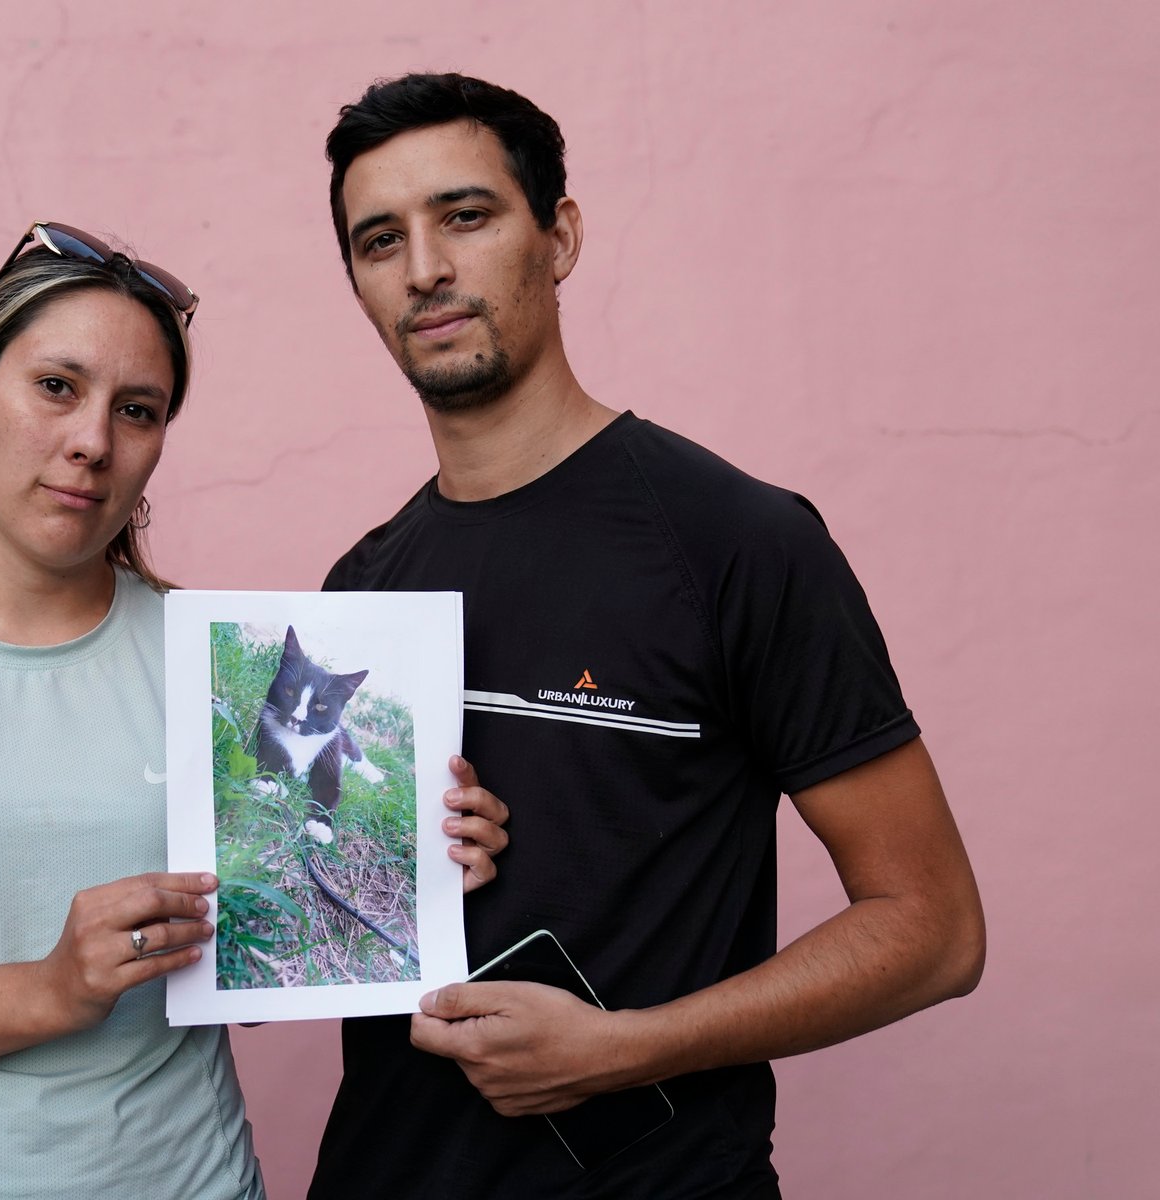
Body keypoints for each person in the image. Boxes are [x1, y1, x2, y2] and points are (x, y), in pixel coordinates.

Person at [0, 221, 508, 1200]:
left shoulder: (212, 665)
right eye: (57, 387)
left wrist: (415, 864)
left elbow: (253, 963)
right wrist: (46, 990)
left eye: (138, 409)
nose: (92, 441)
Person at [307, 74, 986, 1199]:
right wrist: (362, 870)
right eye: (381, 240)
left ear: (558, 236)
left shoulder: (736, 541)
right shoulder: (359, 588)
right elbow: (334, 920)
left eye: (464, 217)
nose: (423, 266)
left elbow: (933, 928)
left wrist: (620, 1049)